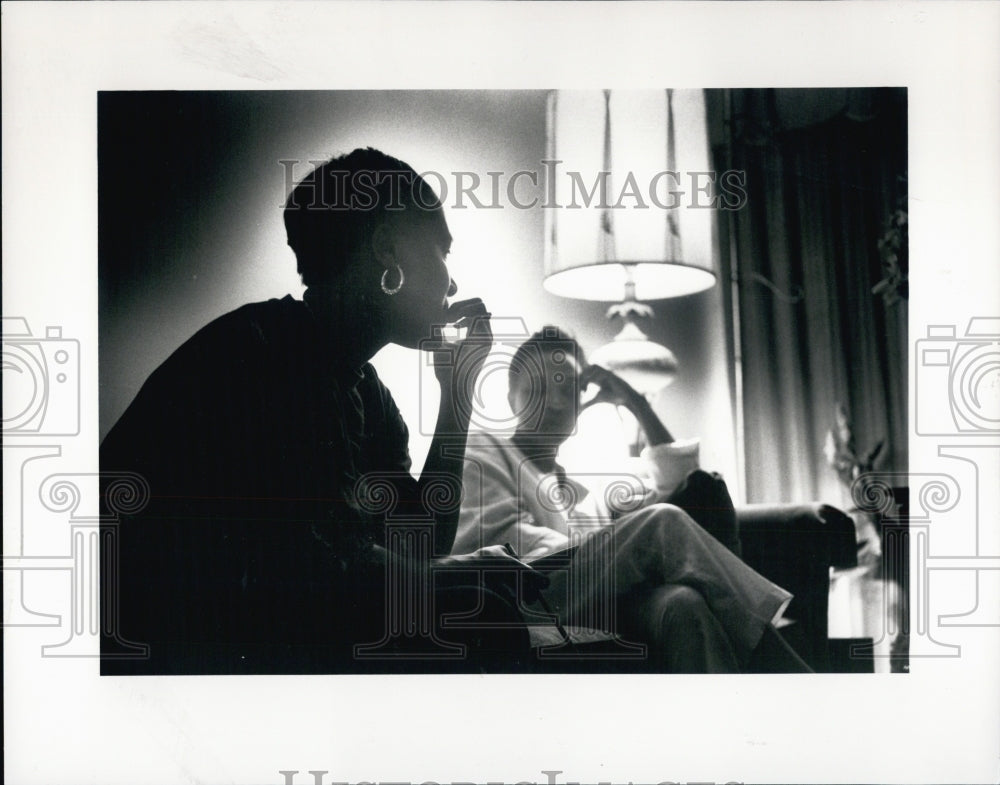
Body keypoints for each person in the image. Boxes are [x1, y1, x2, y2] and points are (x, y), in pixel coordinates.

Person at [100, 148, 541, 674]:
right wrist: (466, 577)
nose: (451, 284)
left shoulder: (367, 394)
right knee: (480, 615)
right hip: (152, 644)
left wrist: (458, 395)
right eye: (441, 251)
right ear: (387, 248)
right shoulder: (262, 353)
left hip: (251, 629)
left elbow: (417, 544)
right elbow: (326, 570)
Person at [453, 326, 811, 672]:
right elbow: (505, 545)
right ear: (510, 397)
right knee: (662, 522)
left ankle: (721, 728)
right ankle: (793, 676)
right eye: (540, 388)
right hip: (524, 595)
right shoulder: (484, 450)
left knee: (684, 605)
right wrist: (620, 552)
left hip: (597, 602)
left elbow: (683, 480)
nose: (558, 402)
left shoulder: (587, 485)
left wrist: (636, 403)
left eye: (570, 389)